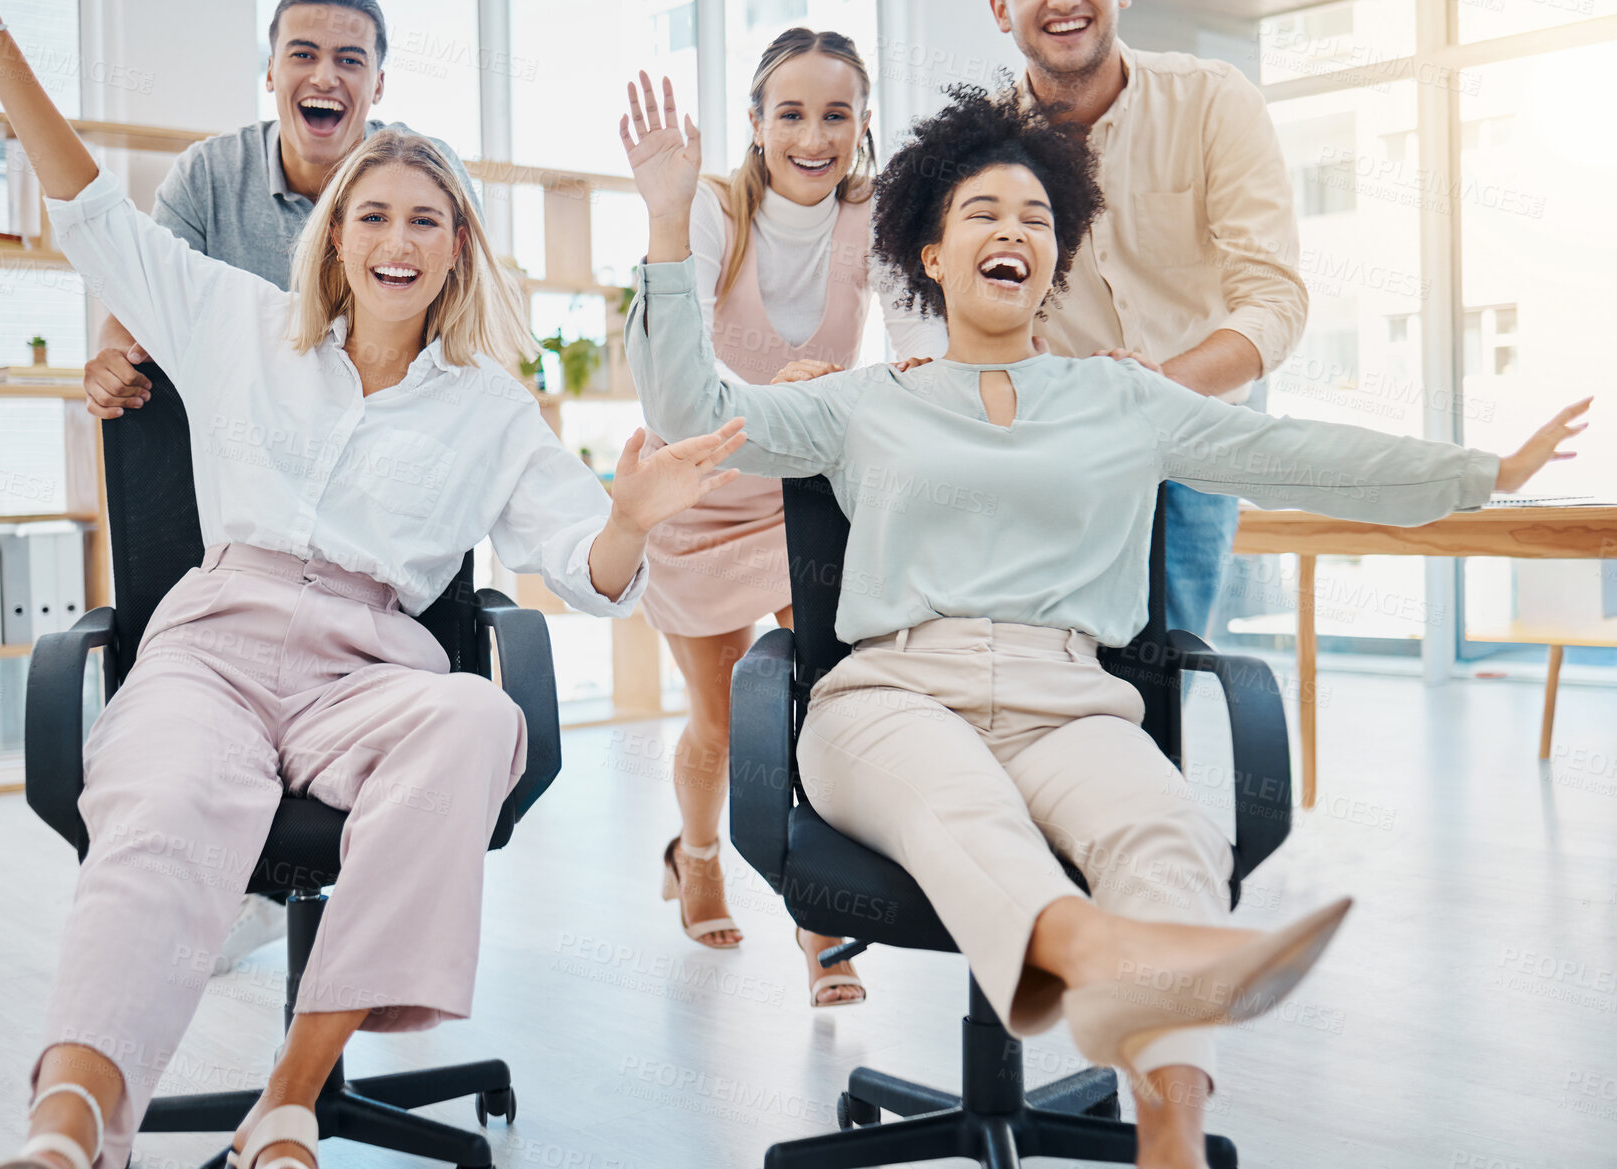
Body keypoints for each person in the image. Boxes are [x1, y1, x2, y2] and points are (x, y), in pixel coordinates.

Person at [618, 72, 1588, 1169]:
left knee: (1166, 832)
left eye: (1034, 218)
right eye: (980, 213)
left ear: (1053, 260)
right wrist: (664, 222)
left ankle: (1167, 1128)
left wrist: (1481, 470)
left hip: (1069, 698)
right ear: (930, 258)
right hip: (890, 698)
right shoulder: (864, 401)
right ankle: (1102, 952)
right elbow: (690, 415)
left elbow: (1296, 454)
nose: (1011, 231)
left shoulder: (1124, 396)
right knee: (962, 808)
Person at [0, 7, 746, 1169]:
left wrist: (628, 520)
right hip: (217, 641)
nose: (397, 237)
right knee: (164, 809)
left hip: (367, 670)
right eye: (372, 215)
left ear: (456, 251)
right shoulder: (237, 321)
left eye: (425, 220)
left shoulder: (488, 404)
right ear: (335, 241)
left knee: (480, 711)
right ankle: (71, 1122)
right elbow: (90, 211)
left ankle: (289, 1095)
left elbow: (591, 571)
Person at [84, 0, 489, 974]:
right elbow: (141, 296)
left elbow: (467, 320)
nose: (327, 77)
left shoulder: (414, 175)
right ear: (269, 71)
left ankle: (323, 916)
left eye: (351, 59)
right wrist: (110, 356)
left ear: (379, 82)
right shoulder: (209, 178)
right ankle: (235, 873)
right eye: (303, 54)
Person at [642, 29, 942, 1008]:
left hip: (796, 495)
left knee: (815, 698)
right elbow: (676, 366)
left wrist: (906, 384)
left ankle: (818, 914)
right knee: (720, 723)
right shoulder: (716, 210)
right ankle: (695, 855)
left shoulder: (876, 214)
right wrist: (777, 392)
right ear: (757, 123)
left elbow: (914, 343)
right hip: (696, 488)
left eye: (836, 114)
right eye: (792, 113)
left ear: (860, 125)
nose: (814, 136)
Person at [985, 0, 1311, 641]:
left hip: (1193, 442)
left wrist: (1153, 388)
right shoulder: (980, 139)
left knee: (1168, 686)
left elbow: (1274, 300)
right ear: (1000, 8)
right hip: (1053, 450)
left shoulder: (1213, 102)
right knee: (1052, 673)